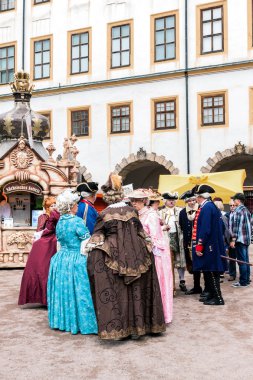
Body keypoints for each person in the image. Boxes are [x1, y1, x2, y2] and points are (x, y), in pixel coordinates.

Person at [87, 175, 166, 340]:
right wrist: (148, 246)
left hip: (114, 257)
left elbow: (98, 235)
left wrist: (93, 247)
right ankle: (141, 327)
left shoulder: (105, 214)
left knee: (119, 293)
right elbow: (141, 233)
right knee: (136, 292)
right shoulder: (132, 211)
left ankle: (122, 329)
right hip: (137, 255)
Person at [47, 189, 97, 335]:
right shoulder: (76, 221)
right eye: (75, 204)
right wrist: (87, 254)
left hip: (60, 259)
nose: (77, 206)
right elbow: (86, 240)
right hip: (75, 258)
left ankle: (63, 321)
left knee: (64, 291)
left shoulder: (60, 221)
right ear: (70, 206)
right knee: (80, 291)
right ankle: (82, 323)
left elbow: (59, 243)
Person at [129, 189, 173, 324]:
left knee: (158, 283)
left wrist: (143, 243)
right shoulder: (136, 215)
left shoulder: (151, 215)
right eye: (132, 200)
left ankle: (162, 315)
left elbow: (155, 238)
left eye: (136, 200)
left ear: (143, 201)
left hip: (155, 255)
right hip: (142, 254)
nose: (134, 203)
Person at [18, 197, 58, 306]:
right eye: (51, 205)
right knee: (43, 270)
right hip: (44, 245)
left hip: (53, 244)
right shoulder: (43, 217)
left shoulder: (58, 216)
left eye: (55, 204)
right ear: (47, 207)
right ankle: (43, 299)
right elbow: (39, 231)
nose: (54, 207)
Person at [192, 184, 225, 305]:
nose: (195, 198)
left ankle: (218, 298)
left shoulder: (206, 208)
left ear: (200, 196)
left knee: (212, 271)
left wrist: (199, 245)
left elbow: (205, 229)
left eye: (196, 196)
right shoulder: (210, 206)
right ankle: (212, 294)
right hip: (212, 244)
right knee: (210, 270)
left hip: (209, 245)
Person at [159, 192, 187, 293]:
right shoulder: (160, 212)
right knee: (169, 262)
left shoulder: (180, 211)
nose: (172, 201)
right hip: (166, 238)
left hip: (179, 237)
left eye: (173, 199)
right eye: (169, 200)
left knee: (180, 260)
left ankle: (182, 281)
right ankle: (171, 285)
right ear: (165, 201)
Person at [179, 190, 202, 295]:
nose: (192, 202)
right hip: (188, 243)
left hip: (200, 243)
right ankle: (196, 287)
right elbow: (182, 226)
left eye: (193, 200)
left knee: (202, 265)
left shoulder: (201, 210)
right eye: (189, 201)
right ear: (186, 202)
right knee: (192, 265)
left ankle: (206, 288)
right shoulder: (182, 212)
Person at [230, 193, 251, 288]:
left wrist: (233, 239)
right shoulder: (246, 210)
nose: (233, 202)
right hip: (246, 239)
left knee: (242, 261)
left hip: (240, 239)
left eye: (234, 200)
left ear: (238, 200)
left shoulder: (238, 211)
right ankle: (246, 280)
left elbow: (235, 227)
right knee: (245, 260)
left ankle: (243, 282)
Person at [226, 198, 237, 281]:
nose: (232, 207)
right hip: (230, 239)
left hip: (239, 239)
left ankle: (245, 275)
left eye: (234, 205)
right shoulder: (227, 215)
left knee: (241, 258)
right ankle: (232, 274)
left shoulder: (239, 214)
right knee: (231, 257)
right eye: (231, 205)